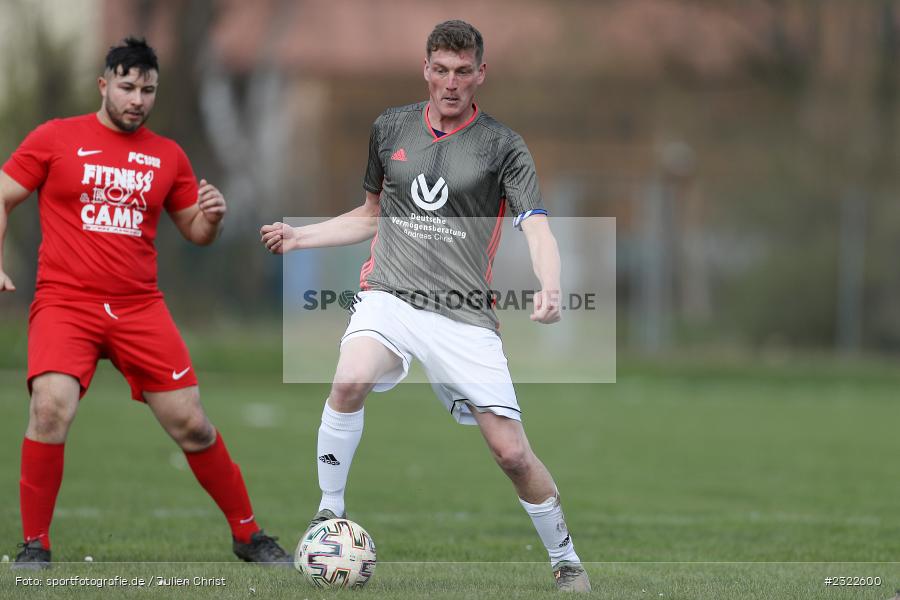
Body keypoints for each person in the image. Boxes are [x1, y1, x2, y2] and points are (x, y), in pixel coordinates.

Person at [261, 20, 591, 592]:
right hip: (389, 296)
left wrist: (550, 283)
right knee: (350, 378)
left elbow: (536, 226)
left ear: (480, 74)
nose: (451, 82)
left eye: (463, 71)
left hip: (464, 317)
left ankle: (565, 557)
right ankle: (328, 511)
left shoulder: (502, 145)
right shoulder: (390, 127)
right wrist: (301, 236)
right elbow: (370, 217)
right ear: (426, 70)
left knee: (511, 452)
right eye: (440, 70)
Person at [0, 37, 290, 568]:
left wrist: (214, 216)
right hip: (66, 303)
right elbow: (3, 193)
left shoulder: (167, 155)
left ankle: (249, 536)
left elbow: (195, 232)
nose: (137, 99)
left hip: (138, 308)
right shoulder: (55, 138)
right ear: (104, 84)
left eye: (148, 90)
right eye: (128, 87)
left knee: (193, 424)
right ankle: (34, 546)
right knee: (49, 409)